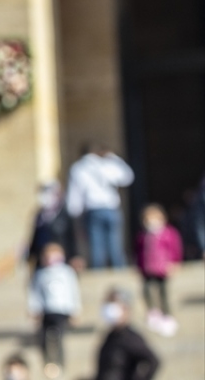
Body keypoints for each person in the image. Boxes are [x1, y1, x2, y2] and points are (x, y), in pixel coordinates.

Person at [66, 145, 134, 269]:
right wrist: (114, 158)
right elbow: (128, 176)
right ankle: (119, 270)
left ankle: (99, 272)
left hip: (93, 210)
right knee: (115, 242)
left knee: (96, 244)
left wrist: (75, 215)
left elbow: (74, 195)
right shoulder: (107, 164)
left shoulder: (78, 168)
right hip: (111, 208)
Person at [27, 243, 80, 379]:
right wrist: (34, 309)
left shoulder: (67, 272)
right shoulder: (40, 274)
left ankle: (60, 363)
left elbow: (73, 292)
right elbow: (35, 293)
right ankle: (48, 363)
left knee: (59, 337)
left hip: (62, 310)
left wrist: (75, 310)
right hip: (47, 310)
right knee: (43, 338)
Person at [134, 204, 182, 336]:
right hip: (147, 269)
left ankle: (167, 314)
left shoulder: (169, 233)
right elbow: (138, 253)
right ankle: (153, 311)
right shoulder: (143, 236)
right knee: (146, 290)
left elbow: (175, 249)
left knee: (163, 293)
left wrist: (175, 263)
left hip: (162, 269)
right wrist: (139, 266)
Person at [95, 287, 160, 379]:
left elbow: (153, 361)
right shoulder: (111, 336)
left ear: (125, 309)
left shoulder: (129, 338)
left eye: (113, 303)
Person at [27, 181, 79, 271]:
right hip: (42, 262)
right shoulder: (40, 215)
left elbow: (72, 237)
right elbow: (35, 237)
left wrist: (75, 255)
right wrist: (30, 255)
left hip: (60, 262)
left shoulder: (64, 214)